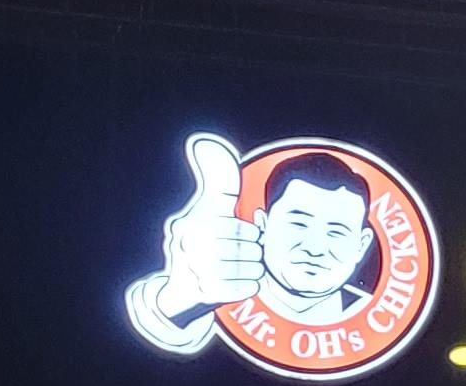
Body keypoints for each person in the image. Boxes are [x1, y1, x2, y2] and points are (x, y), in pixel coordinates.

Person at [127, 134, 378, 355]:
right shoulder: (219, 289)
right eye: (298, 224)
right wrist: (178, 301)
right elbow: (166, 327)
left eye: (336, 232)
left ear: (362, 245)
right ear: (262, 224)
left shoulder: (368, 313)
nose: (315, 249)